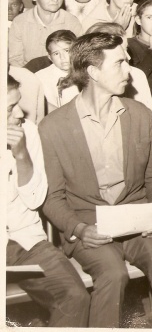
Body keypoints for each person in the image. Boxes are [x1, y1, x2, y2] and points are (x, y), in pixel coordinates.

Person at [39, 32, 152, 328]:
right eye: (119, 64)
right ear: (93, 72)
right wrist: (79, 229)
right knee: (113, 274)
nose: (129, 71)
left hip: (138, 220)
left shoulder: (140, 114)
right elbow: (52, 197)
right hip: (89, 224)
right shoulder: (52, 127)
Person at [5, 74, 91, 327]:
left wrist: (22, 156)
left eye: (18, 103)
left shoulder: (28, 132)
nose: (20, 113)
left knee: (75, 297)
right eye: (10, 108)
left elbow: (34, 200)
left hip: (25, 241)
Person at [9, 0, 82, 67]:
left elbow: (79, 57)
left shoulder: (71, 22)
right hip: (28, 73)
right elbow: (15, 60)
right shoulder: (19, 23)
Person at [35, 30, 79, 110]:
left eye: (67, 51)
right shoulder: (40, 78)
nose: (62, 57)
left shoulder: (87, 72)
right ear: (50, 57)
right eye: (56, 53)